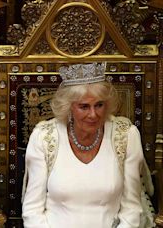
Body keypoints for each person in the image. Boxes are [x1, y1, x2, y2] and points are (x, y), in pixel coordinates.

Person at [21, 63, 152, 227]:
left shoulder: (125, 135)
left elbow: (132, 208)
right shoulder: (44, 136)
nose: (93, 114)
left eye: (99, 105)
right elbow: (32, 209)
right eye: (84, 106)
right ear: (69, 107)